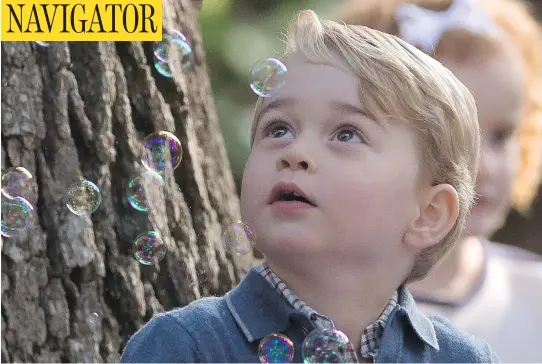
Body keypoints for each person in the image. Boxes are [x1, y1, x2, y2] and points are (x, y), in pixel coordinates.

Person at [120, 9, 498, 363]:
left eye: (347, 134)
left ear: (428, 215)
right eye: (278, 129)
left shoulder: (462, 357)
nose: (295, 152)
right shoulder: (186, 346)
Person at [339, 0, 542, 361]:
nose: (485, 166)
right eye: (458, 136)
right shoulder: (328, 292)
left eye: (501, 135)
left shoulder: (534, 293)